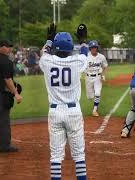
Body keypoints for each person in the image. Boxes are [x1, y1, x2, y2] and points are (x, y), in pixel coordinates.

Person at [39, 24, 88, 180]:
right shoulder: (77, 61)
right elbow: (85, 52)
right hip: (73, 111)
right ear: (70, 48)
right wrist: (83, 39)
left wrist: (48, 40)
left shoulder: (47, 61)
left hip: (54, 112)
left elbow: (44, 52)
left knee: (55, 155)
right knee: (79, 154)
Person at [85, 40, 108, 117]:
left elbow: (105, 66)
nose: (94, 49)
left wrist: (103, 75)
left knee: (97, 93)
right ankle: (94, 104)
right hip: (88, 78)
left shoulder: (101, 57)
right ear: (90, 48)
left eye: (95, 47)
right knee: (90, 96)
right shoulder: (86, 56)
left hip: (98, 77)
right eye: (92, 48)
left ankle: (94, 110)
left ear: (97, 48)